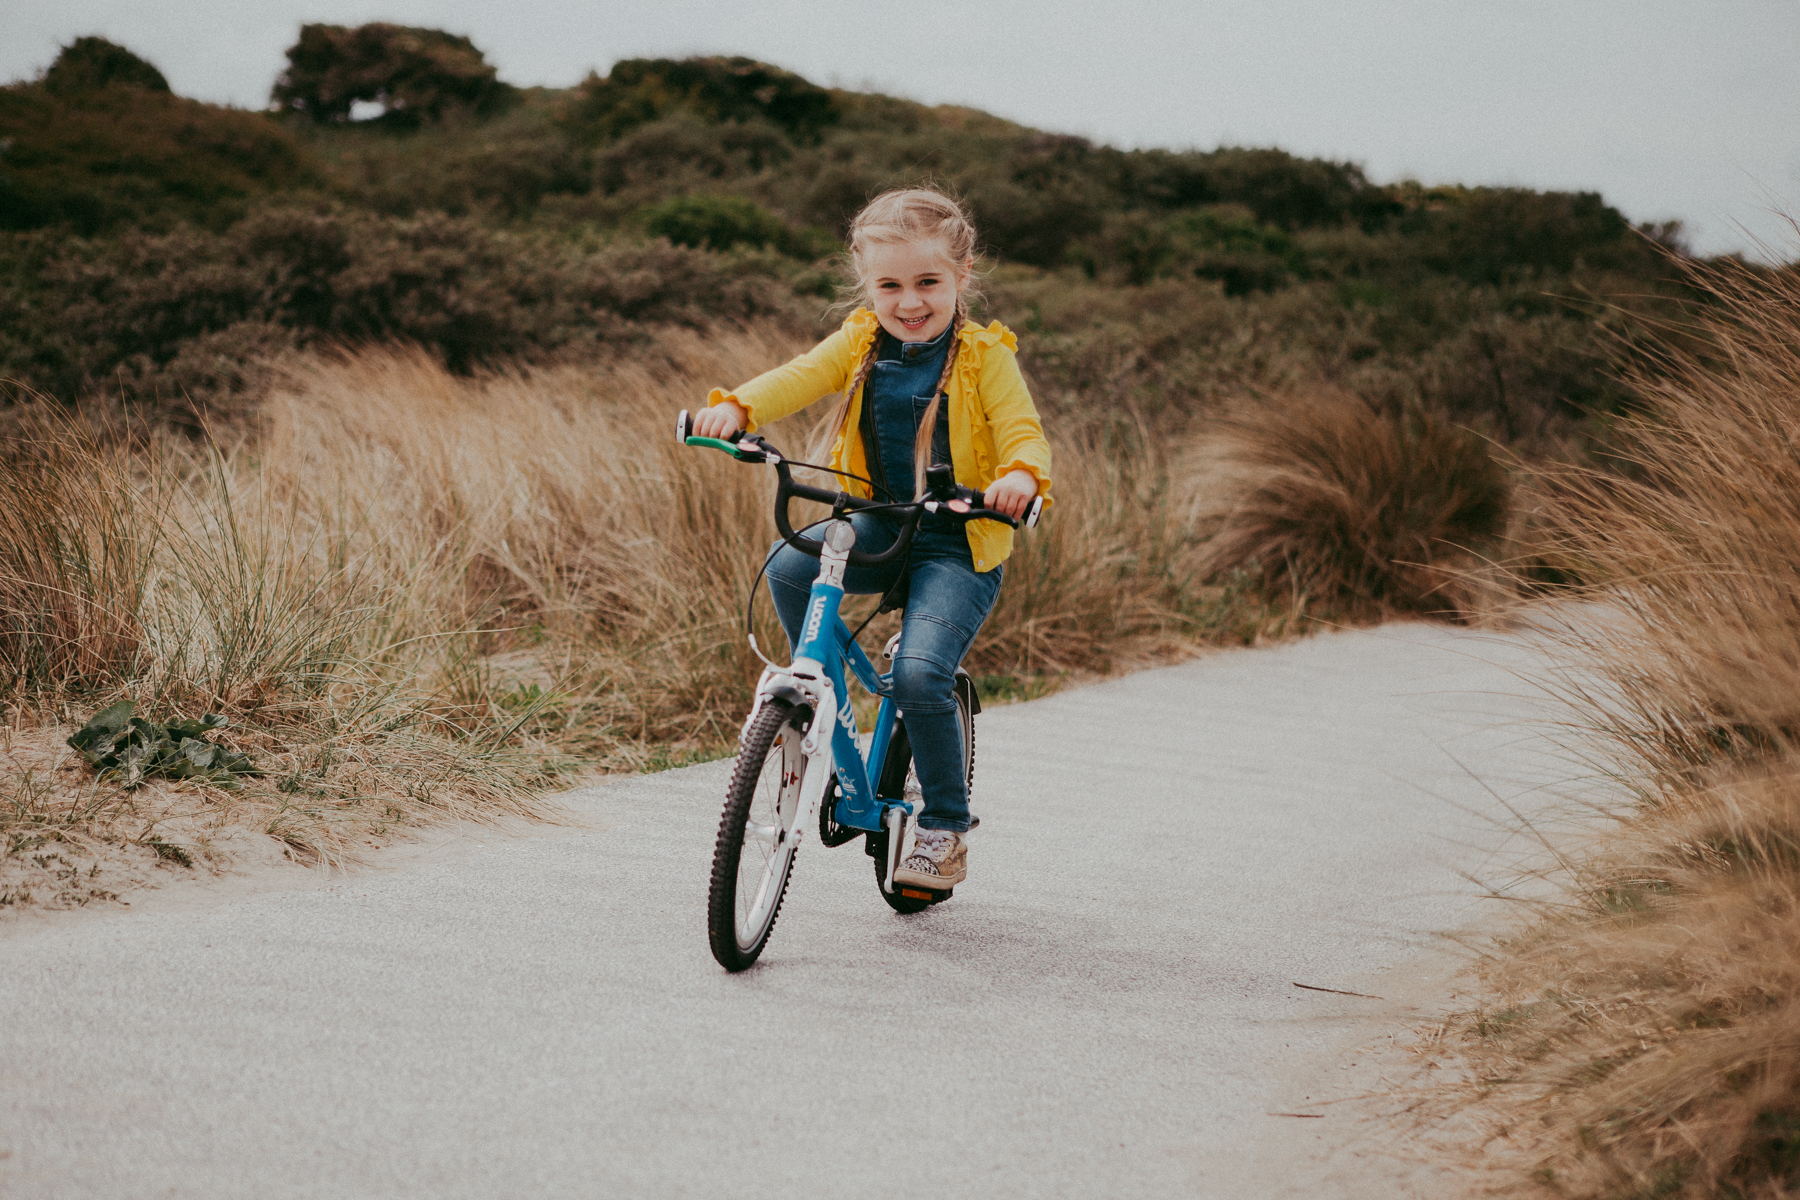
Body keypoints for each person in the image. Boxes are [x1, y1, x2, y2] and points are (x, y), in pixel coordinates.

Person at [690, 186, 1052, 892]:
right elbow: (798, 378)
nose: (908, 301)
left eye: (927, 282)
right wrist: (735, 406)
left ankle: (944, 827)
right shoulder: (859, 341)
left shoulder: (985, 357)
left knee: (920, 676)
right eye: (890, 285)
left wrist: (1019, 477)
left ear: (962, 275)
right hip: (879, 524)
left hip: (960, 543)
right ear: (867, 281)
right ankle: (818, 694)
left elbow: (1023, 432)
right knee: (790, 566)